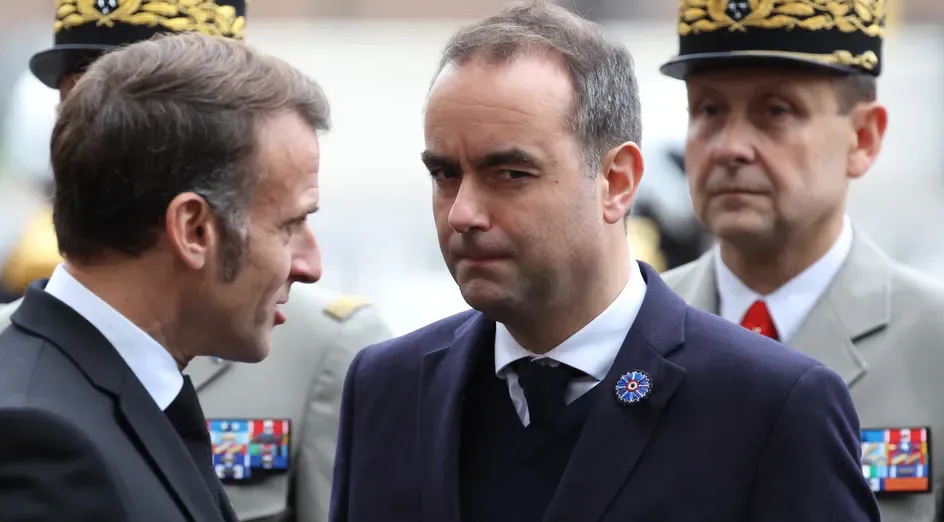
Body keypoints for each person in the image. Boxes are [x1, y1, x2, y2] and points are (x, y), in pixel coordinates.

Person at [328, 2, 879, 521]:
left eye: (510, 174)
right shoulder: (386, 388)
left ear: (616, 182)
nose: (463, 213)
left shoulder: (771, 407)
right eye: (446, 174)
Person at [0, 3, 394, 520]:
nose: (310, 264)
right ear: (192, 228)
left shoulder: (137, 389)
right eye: (288, 225)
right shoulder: (33, 442)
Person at [659, 1, 944, 520]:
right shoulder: (635, 327)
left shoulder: (933, 342)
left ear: (864, 138)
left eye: (776, 111)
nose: (730, 147)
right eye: (708, 110)